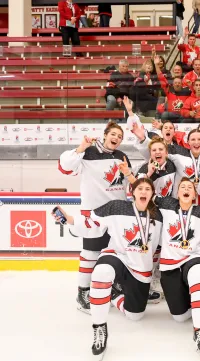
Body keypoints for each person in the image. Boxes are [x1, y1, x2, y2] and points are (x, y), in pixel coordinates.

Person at [53, 178, 163, 359]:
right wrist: (70, 220)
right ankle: (99, 328)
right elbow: (92, 224)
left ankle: (113, 294)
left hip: (140, 269)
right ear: (132, 192)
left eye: (147, 189)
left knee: (135, 315)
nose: (143, 192)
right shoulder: (116, 207)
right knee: (102, 272)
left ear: (152, 194)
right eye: (140, 189)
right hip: (117, 256)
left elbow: (158, 246)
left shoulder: (157, 215)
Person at [59, 118, 134, 315]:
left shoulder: (122, 156)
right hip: (93, 214)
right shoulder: (88, 153)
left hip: (116, 215)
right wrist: (80, 147)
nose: (116, 138)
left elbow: (130, 183)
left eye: (120, 136)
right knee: (90, 254)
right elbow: (64, 167)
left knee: (114, 254)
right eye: (113, 134)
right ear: (105, 135)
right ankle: (83, 293)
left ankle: (113, 287)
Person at [155, 178, 200, 356]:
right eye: (182, 187)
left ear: (194, 194)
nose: (185, 190)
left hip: (194, 257)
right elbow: (143, 193)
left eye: (189, 188)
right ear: (177, 194)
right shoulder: (166, 207)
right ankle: (195, 303)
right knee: (180, 317)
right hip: (169, 265)